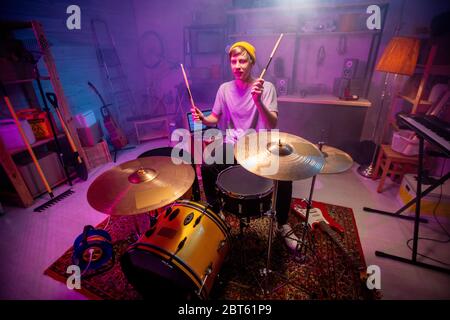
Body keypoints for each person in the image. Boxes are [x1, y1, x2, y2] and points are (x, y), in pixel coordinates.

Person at [191, 41, 299, 251]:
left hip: (260, 146)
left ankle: (283, 224)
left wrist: (258, 101)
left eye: (242, 61)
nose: (237, 66)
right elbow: (215, 117)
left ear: (252, 63)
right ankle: (216, 211)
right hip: (234, 144)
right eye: (233, 61)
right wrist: (203, 119)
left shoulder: (266, 88)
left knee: (285, 174)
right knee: (207, 166)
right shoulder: (224, 89)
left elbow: (272, 123)